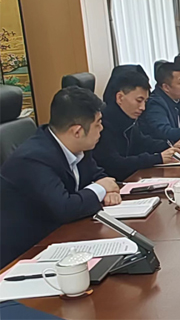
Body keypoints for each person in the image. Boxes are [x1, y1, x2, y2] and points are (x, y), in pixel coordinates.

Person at [0, 87, 121, 268]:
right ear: (77, 131)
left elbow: (99, 175)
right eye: (98, 124)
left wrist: (107, 190)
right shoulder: (33, 159)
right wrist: (101, 188)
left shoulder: (78, 148)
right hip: (24, 256)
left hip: (61, 239)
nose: (102, 129)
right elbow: (65, 208)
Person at [94, 69, 180, 181]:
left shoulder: (128, 118)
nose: (143, 107)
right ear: (120, 97)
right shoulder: (102, 125)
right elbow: (115, 163)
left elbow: (143, 142)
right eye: (139, 101)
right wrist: (157, 158)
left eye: (145, 101)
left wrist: (171, 146)